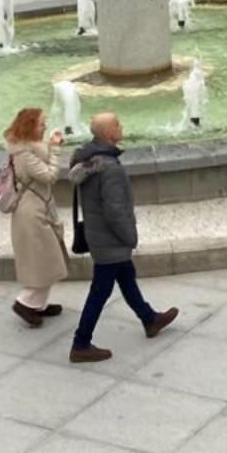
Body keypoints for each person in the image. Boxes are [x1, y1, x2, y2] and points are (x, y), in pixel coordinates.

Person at [67, 112, 178, 364]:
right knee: (100, 291)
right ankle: (80, 343)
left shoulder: (88, 160)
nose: (121, 125)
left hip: (99, 237)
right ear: (108, 134)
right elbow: (115, 211)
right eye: (117, 123)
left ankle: (150, 319)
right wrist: (130, 237)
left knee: (127, 279)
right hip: (110, 241)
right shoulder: (110, 169)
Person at [5, 108, 68, 327]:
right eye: (41, 123)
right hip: (32, 215)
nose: (45, 126)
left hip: (38, 209)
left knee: (47, 261)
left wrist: (51, 147)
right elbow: (49, 176)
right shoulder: (25, 154)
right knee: (43, 261)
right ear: (30, 126)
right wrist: (56, 150)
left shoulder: (29, 150)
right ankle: (24, 303)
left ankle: (37, 305)